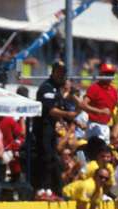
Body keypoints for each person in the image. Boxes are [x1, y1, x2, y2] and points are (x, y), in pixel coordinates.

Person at [33, 61, 77, 199]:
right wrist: (67, 115)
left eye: (64, 72)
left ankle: (50, 189)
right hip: (42, 128)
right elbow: (51, 110)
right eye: (60, 72)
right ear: (54, 72)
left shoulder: (56, 89)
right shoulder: (46, 88)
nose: (62, 75)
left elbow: (62, 108)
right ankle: (41, 190)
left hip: (52, 128)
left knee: (53, 159)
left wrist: (73, 120)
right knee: (45, 158)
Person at [81, 63, 118, 144]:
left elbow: (117, 107)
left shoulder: (113, 90)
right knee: (96, 152)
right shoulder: (94, 88)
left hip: (106, 126)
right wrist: (100, 111)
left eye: (111, 74)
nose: (110, 76)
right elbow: (83, 105)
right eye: (107, 74)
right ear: (101, 74)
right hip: (94, 125)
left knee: (105, 154)